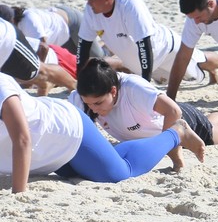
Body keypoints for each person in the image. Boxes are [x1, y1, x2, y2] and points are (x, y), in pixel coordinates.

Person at [0, 71, 204, 194]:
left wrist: (19, 195)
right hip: (47, 152)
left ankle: (176, 133)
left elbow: (22, 138)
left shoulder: (2, 86)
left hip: (66, 131)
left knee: (118, 173)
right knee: (80, 171)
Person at [69, 58, 218, 172]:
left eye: (98, 103)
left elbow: (173, 111)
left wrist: (176, 157)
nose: (93, 109)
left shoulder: (133, 88)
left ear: (113, 91)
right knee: (209, 122)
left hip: (179, 120)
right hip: (161, 119)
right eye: (89, 104)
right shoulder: (80, 98)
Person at [77, 0, 218, 85]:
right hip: (141, 63)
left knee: (198, 63)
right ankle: (212, 70)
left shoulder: (130, 5)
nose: (88, 3)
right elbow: (83, 47)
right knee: (193, 78)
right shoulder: (92, 11)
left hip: (165, 50)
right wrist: (79, 80)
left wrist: (145, 83)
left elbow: (144, 44)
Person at [0, 17, 76, 95]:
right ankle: (42, 82)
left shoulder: (27, 21)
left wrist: (35, 73)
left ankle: (74, 86)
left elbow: (43, 47)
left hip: (57, 58)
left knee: (40, 72)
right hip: (49, 59)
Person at [0, 3, 105, 57]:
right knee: (78, 62)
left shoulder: (28, 21)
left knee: (98, 59)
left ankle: (110, 47)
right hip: (59, 35)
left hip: (72, 24)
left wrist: (37, 73)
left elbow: (43, 46)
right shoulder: (13, 25)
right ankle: (97, 44)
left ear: (12, 21)